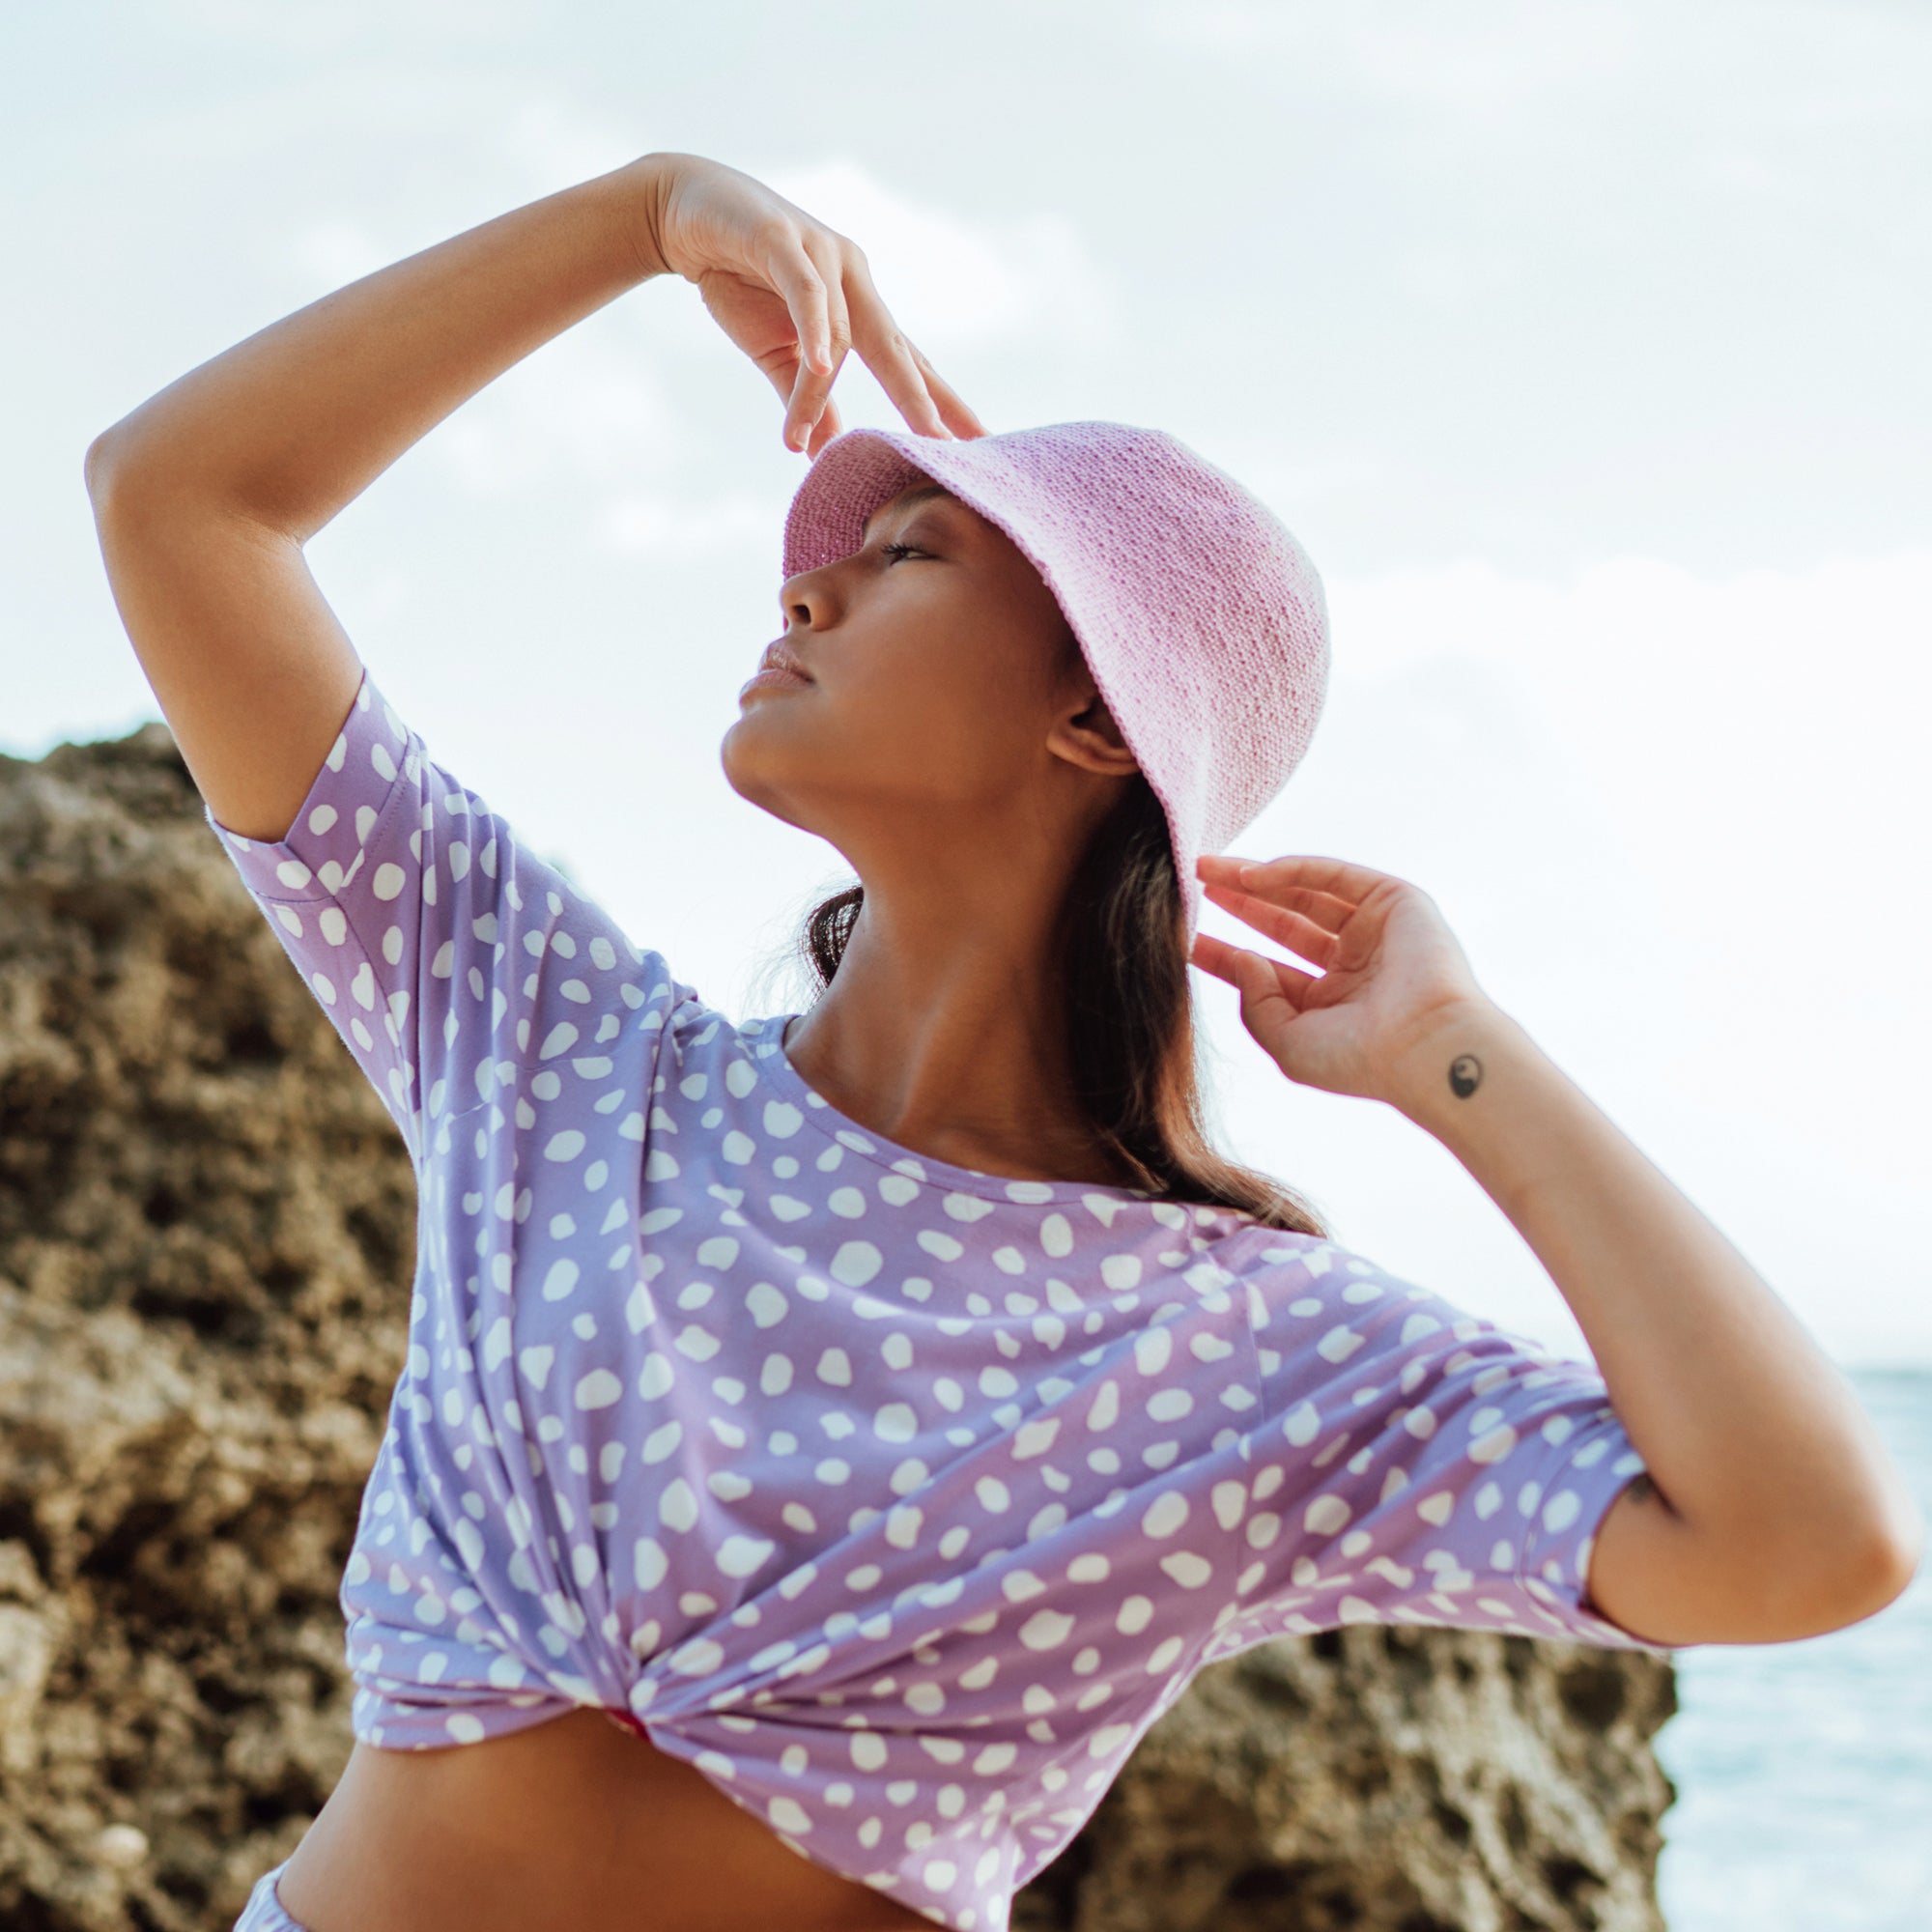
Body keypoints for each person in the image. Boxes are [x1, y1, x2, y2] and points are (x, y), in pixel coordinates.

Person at [85, 150, 1920, 1932]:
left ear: (1097, 722)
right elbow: (179, 499)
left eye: (907, 554)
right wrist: (642, 215)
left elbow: (1807, 1539)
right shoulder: (557, 1048)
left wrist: (1455, 1052)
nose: (804, 589)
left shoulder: (1233, 1342)